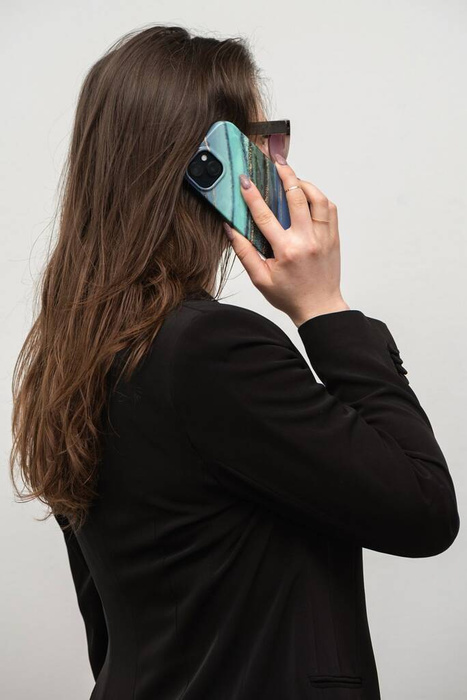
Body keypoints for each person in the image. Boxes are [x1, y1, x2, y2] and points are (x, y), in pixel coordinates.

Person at [10, 23, 460, 700]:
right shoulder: (210, 351)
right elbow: (423, 508)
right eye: (261, 143)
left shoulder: (80, 354)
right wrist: (324, 309)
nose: (278, 165)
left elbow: (111, 630)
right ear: (206, 167)